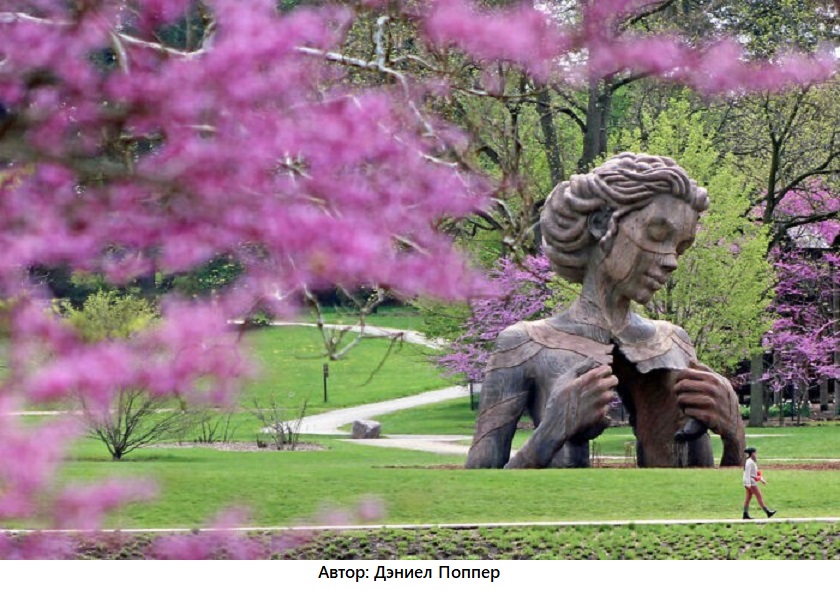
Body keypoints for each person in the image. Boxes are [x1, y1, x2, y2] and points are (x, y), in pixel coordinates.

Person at [465, 153, 746, 469]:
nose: (672, 260)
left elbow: (702, 488)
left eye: (681, 246)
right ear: (600, 224)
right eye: (657, 234)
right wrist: (551, 432)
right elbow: (475, 485)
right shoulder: (525, 344)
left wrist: (734, 435)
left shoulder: (674, 342)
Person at [743, 447, 776, 519]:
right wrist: (748, 484)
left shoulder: (751, 462)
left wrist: (761, 479)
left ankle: (745, 514)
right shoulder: (749, 462)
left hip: (751, 481)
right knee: (759, 496)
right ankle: (767, 512)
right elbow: (747, 473)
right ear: (752, 453)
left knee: (748, 498)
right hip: (751, 482)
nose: (756, 454)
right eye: (755, 453)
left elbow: (756, 473)